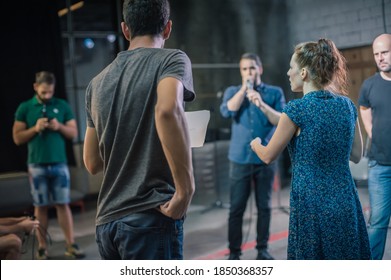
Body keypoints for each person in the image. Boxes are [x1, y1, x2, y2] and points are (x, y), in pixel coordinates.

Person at [83, 0, 195, 260]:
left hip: (107, 223)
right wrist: (185, 189)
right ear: (167, 28)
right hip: (148, 217)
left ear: (125, 30)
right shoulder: (172, 59)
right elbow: (168, 110)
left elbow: (91, 162)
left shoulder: (95, 83)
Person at [250, 38, 372, 259]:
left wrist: (256, 143)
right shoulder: (347, 106)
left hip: (311, 204)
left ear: (304, 73)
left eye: (291, 68)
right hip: (344, 199)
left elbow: (268, 156)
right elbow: (356, 155)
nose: (288, 73)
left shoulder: (297, 109)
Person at [220, 53, 286, 260]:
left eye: (252, 68)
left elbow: (282, 121)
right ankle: (234, 252)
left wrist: (259, 103)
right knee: (237, 208)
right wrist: (243, 91)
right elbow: (226, 111)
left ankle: (262, 249)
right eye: (244, 69)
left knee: (264, 207)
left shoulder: (274, 93)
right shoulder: (233, 92)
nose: (248, 72)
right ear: (241, 72)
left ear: (260, 69)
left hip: (265, 158)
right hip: (239, 159)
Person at [12, 71, 84, 260]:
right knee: (40, 206)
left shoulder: (61, 105)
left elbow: (74, 132)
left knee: (63, 204)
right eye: (44, 92)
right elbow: (17, 138)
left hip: (59, 164)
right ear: (36, 87)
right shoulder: (25, 107)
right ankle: (42, 247)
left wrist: (58, 126)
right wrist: (35, 129)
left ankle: (71, 244)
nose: (47, 96)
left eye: (50, 92)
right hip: (36, 166)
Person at [358, 33, 391, 260]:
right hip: (380, 164)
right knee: (377, 222)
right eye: (376, 54)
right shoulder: (369, 85)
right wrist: (373, 133)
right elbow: (364, 111)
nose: (380, 58)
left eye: (385, 52)